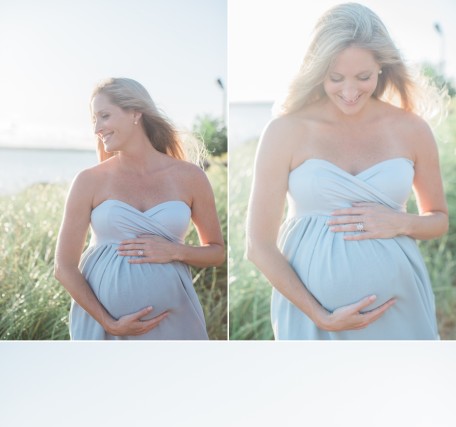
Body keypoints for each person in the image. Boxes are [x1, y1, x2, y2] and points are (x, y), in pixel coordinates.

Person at [246, 3, 448, 341]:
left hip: (401, 309)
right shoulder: (286, 130)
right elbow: (258, 246)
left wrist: (401, 222)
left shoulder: (411, 129)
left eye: (363, 77)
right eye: (335, 78)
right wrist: (320, 315)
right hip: (312, 318)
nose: (350, 92)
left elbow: (438, 219)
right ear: (316, 70)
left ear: (382, 67)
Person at [55, 78, 225, 340]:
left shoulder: (190, 177)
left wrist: (175, 251)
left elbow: (216, 253)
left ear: (135, 113)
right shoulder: (89, 180)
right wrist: (109, 323)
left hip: (176, 324)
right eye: (94, 120)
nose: (97, 128)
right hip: (103, 330)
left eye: (104, 116)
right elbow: (63, 267)